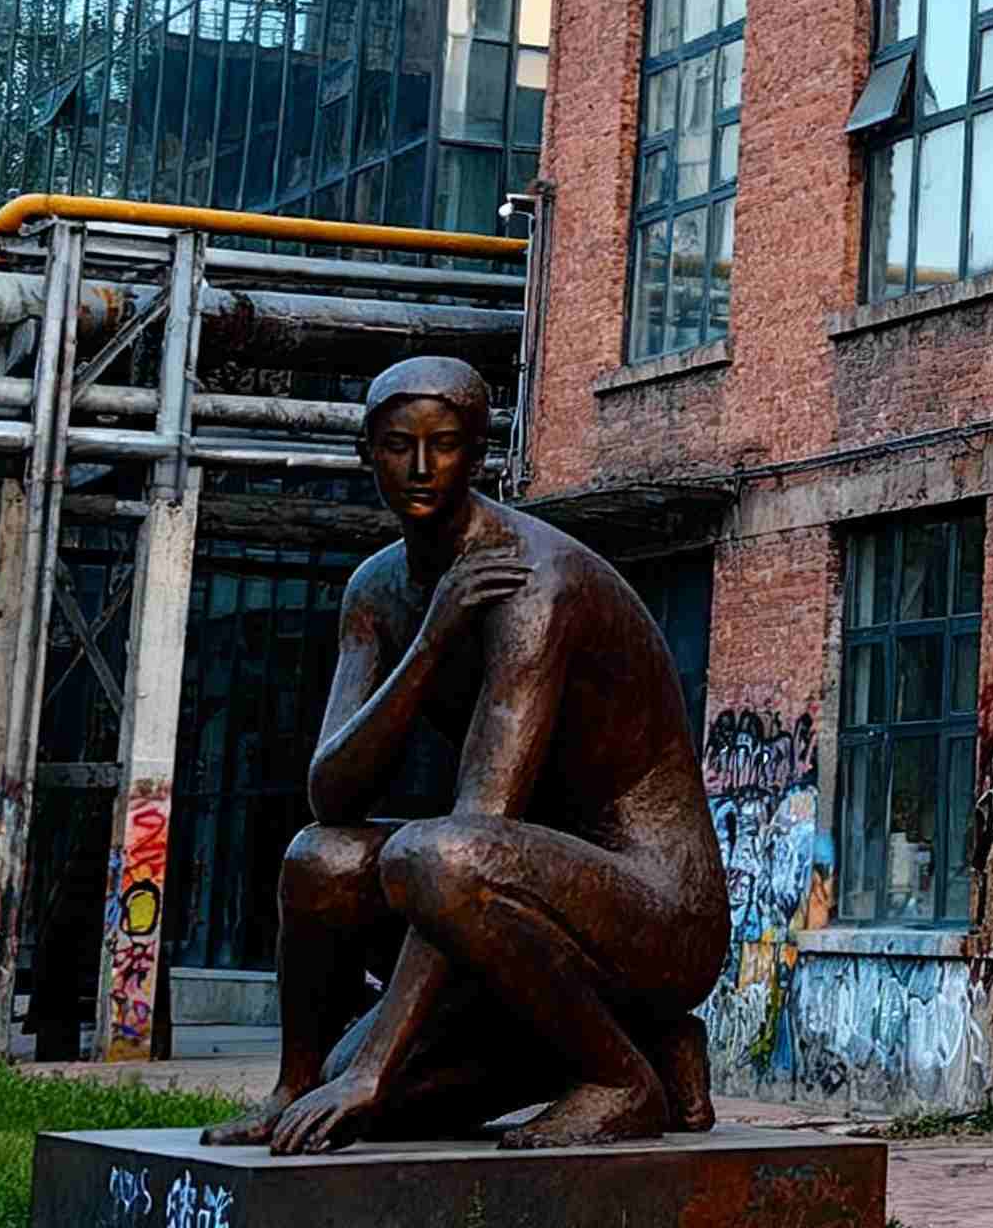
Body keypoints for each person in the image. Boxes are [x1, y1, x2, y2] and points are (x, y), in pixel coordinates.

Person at [209, 355, 727, 1151]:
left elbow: (479, 824)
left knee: (434, 862)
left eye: (444, 445)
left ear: (478, 455)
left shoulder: (533, 580)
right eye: (398, 446)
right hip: (515, 898)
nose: (420, 468)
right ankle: (299, 1084)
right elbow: (331, 796)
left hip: (655, 912)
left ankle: (620, 1077)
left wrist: (373, 1068)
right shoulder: (377, 589)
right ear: (366, 454)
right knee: (319, 860)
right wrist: (431, 639)